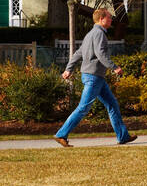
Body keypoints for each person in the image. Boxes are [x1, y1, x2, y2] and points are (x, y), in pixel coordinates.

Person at [55, 8, 137, 147]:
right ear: (101, 19)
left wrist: (69, 69)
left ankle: (123, 136)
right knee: (83, 108)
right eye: (109, 17)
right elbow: (101, 54)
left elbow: (77, 54)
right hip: (93, 77)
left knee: (112, 104)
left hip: (95, 77)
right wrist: (114, 67)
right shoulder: (99, 34)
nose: (111, 20)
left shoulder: (90, 34)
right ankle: (61, 134)